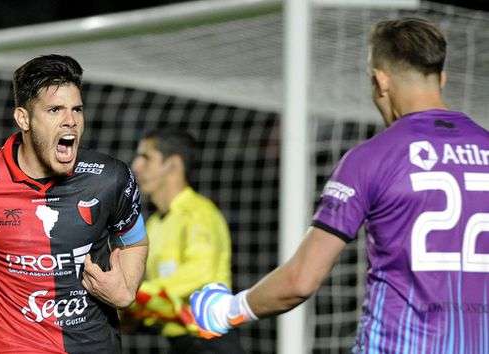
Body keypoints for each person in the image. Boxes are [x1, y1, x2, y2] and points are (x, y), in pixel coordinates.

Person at [190, 18, 489, 353]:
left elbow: (300, 281)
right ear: (442, 79)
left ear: (380, 81)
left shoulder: (372, 158)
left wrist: (227, 310)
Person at [0, 54, 148, 354]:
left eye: (76, 109)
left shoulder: (110, 178)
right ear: (23, 118)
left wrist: (126, 290)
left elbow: (134, 240)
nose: (71, 121)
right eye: (55, 110)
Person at [129, 128, 244, 354]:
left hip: (211, 342)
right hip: (181, 343)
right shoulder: (153, 225)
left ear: (173, 164)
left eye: (146, 157)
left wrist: (136, 296)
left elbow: (202, 272)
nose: (136, 166)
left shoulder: (199, 212)